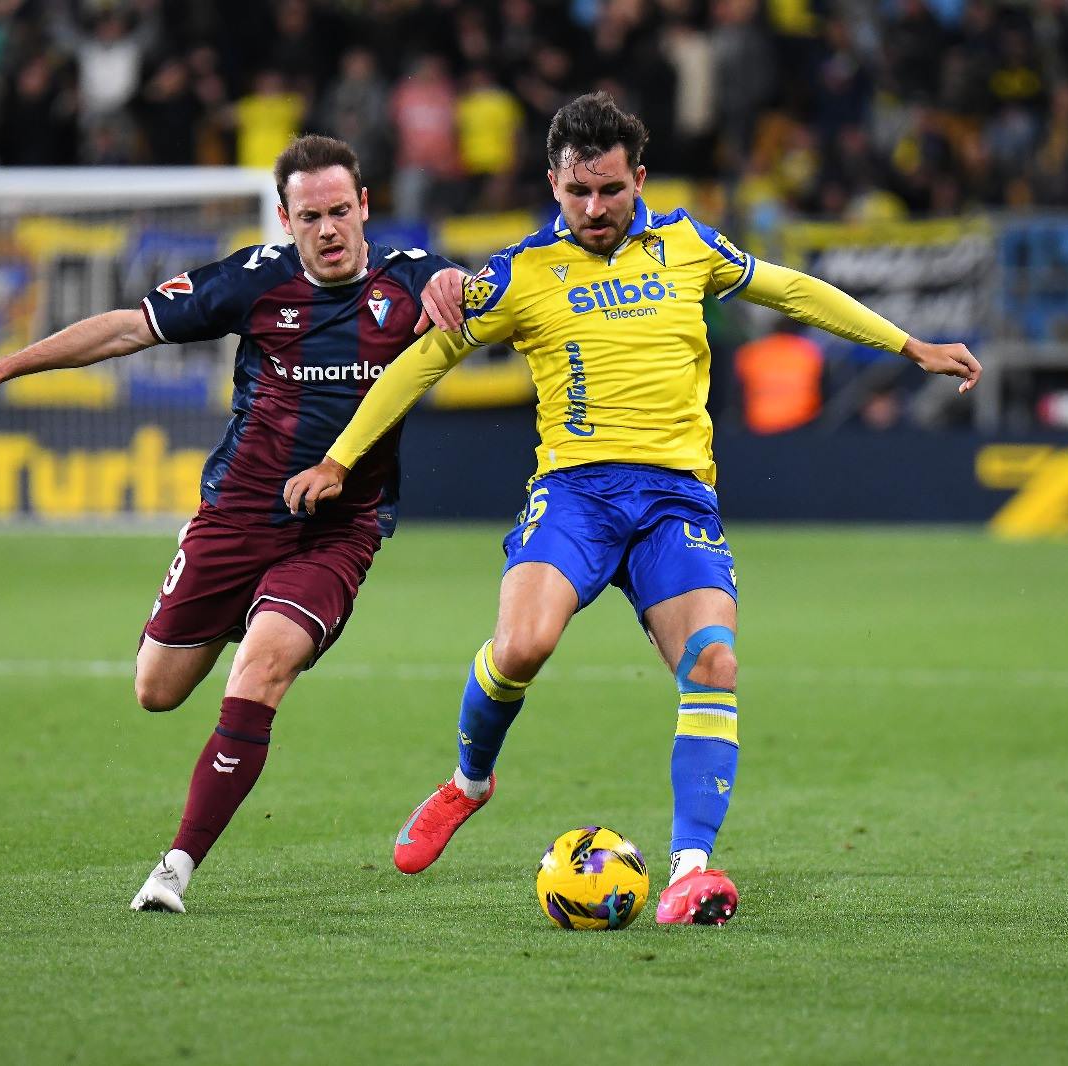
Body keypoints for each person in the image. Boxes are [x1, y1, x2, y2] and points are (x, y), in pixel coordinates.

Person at [283, 93, 980, 925]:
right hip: (575, 496)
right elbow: (422, 361)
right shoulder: (521, 273)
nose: (593, 208)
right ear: (553, 184)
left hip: (675, 501)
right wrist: (339, 457)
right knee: (522, 645)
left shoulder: (687, 245)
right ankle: (468, 782)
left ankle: (690, 871)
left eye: (610, 189)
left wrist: (909, 345)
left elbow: (792, 290)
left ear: (638, 179)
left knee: (713, 662)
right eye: (577, 191)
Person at [0, 135, 464, 913]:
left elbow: (495, 291)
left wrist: (457, 279)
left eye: (341, 210)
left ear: (365, 206)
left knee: (263, 668)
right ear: (286, 220)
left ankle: (174, 868)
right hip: (236, 517)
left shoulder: (411, 281)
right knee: (157, 690)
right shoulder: (254, 279)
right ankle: (249, 604)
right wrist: (4, 368)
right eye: (311, 216)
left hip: (337, 530)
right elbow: (127, 328)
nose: (329, 229)